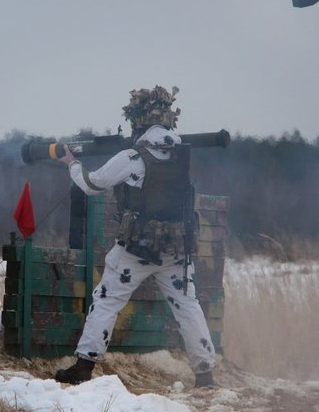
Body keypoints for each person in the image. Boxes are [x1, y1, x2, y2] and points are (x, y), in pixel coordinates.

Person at [54, 85, 217, 388]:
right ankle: (205, 375)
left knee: (106, 300)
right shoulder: (180, 154)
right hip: (177, 248)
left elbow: (92, 184)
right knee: (187, 305)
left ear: (138, 120)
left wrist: (72, 164)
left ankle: (84, 366)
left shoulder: (132, 157)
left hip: (138, 248)